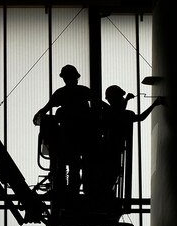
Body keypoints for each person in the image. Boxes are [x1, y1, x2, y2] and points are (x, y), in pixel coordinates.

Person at [87, 85, 163, 199]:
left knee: (106, 172)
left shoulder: (105, 112)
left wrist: (126, 99)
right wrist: (154, 105)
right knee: (113, 172)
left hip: (104, 148)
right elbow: (137, 116)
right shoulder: (124, 114)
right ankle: (105, 192)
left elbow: (116, 111)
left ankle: (101, 192)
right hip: (116, 148)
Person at [33, 65, 98, 196]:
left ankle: (63, 189)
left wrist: (38, 118)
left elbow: (47, 108)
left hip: (68, 136)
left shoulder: (61, 93)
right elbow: (99, 105)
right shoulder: (84, 91)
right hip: (84, 136)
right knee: (79, 165)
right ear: (76, 77)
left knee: (63, 163)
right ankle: (80, 189)